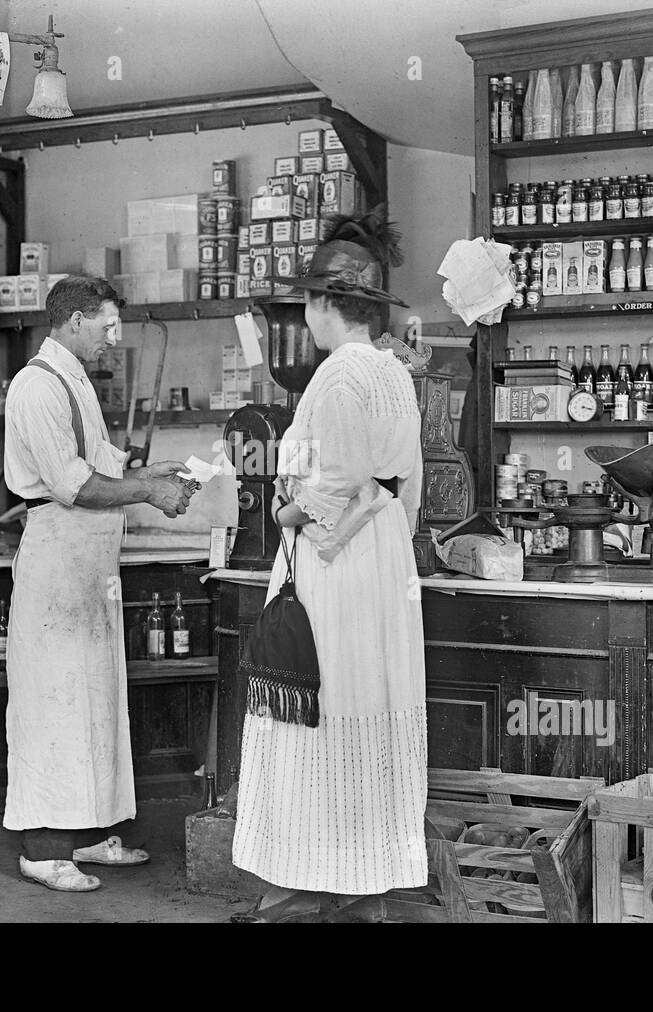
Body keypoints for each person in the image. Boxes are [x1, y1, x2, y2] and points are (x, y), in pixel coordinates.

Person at [231, 208, 427, 922]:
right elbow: (401, 486)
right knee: (366, 703)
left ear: (321, 305)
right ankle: (361, 876)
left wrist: (285, 512)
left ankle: (307, 880)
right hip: (382, 566)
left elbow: (334, 481)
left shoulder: (339, 376)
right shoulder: (392, 373)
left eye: (306, 305)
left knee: (319, 707)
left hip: (334, 566)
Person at [2, 275, 195, 893]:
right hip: (58, 557)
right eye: (107, 325)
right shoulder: (36, 385)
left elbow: (99, 463)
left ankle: (87, 833)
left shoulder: (75, 380)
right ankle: (43, 848)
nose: (115, 338)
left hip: (90, 564)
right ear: (75, 319)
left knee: (95, 701)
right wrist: (148, 491)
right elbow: (70, 484)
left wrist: (150, 470)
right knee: (55, 704)